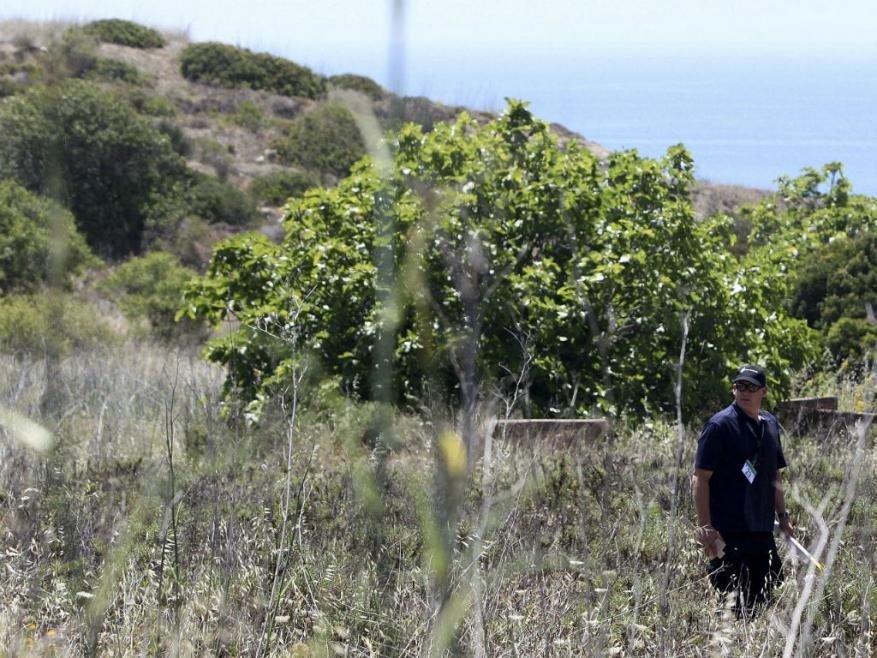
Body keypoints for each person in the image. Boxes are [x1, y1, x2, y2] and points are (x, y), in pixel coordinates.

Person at [692, 364, 794, 617]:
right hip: (728, 531)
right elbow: (700, 477)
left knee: (766, 597)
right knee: (733, 604)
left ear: (764, 391)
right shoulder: (719, 426)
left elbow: (775, 474)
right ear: (733, 389)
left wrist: (783, 517)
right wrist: (705, 526)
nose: (744, 392)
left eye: (751, 387)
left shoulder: (770, 424)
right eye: (740, 386)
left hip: (761, 528)